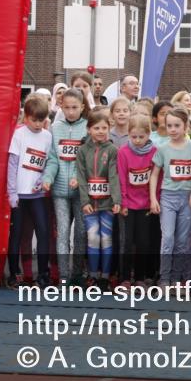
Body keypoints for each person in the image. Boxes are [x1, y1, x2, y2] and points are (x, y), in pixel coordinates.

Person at [6, 96, 53, 289]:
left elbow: (48, 162)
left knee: (43, 231)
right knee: (16, 233)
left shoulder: (47, 136)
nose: (38, 124)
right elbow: (12, 164)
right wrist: (12, 192)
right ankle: (14, 274)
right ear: (26, 117)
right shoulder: (19, 134)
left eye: (41, 120)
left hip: (37, 194)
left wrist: (43, 179)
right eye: (34, 120)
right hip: (19, 194)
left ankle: (43, 274)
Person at [42, 88, 88, 286]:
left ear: (82, 107)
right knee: (62, 232)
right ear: (60, 106)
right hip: (60, 190)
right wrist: (48, 178)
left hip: (81, 191)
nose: (70, 111)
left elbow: (87, 160)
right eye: (67, 107)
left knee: (81, 232)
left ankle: (77, 274)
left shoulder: (87, 127)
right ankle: (63, 276)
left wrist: (79, 177)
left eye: (75, 107)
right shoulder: (56, 128)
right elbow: (53, 158)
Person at [151, 108, 191, 287]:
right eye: (169, 125)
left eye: (177, 125)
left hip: (187, 198)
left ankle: (176, 278)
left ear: (186, 126)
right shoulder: (162, 149)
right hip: (168, 197)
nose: (172, 129)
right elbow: (154, 174)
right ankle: (164, 278)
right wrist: (153, 198)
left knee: (182, 241)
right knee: (168, 238)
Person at [77, 108, 122, 289]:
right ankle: (93, 275)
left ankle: (105, 276)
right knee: (93, 238)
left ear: (109, 129)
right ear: (89, 129)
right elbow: (81, 177)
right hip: (89, 205)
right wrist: (84, 201)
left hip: (107, 204)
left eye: (104, 128)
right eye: (96, 128)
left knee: (106, 238)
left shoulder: (112, 150)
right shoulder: (82, 151)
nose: (101, 131)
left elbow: (114, 176)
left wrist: (116, 200)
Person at [117, 114, 157, 286]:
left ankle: (140, 277)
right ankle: (125, 277)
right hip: (129, 205)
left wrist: (154, 200)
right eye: (134, 137)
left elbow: (156, 177)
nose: (138, 140)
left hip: (146, 205)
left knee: (143, 242)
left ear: (149, 134)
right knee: (126, 242)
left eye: (142, 136)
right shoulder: (123, 152)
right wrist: (124, 203)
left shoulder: (154, 152)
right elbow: (122, 179)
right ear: (128, 134)